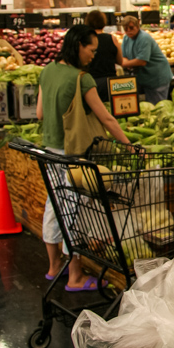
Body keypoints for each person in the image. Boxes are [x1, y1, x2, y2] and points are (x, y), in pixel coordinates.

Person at [37, 24, 132, 291]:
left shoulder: (48, 71)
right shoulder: (81, 79)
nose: (93, 55)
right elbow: (107, 118)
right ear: (79, 45)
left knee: (54, 204)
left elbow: (40, 114)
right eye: (91, 49)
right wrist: (128, 146)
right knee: (73, 211)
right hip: (72, 153)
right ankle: (76, 276)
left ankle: (54, 266)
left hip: (50, 151)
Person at [121, 14, 173, 105]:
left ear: (137, 26)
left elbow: (142, 61)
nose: (128, 31)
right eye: (126, 29)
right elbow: (124, 56)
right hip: (145, 78)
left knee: (157, 107)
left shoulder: (144, 38)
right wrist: (127, 62)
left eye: (131, 27)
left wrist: (125, 64)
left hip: (157, 77)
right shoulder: (126, 38)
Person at [84, 9, 123, 102]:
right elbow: (120, 61)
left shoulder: (84, 40)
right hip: (111, 83)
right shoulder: (112, 39)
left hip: (91, 83)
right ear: (104, 22)